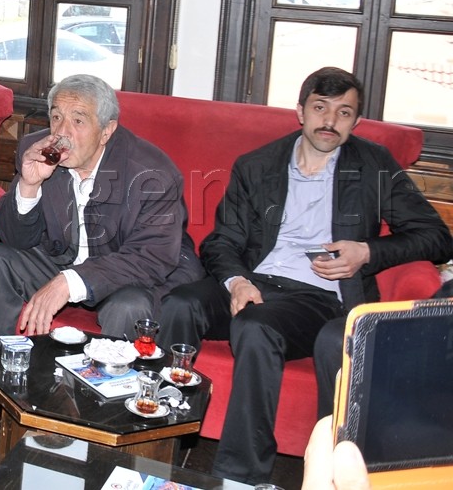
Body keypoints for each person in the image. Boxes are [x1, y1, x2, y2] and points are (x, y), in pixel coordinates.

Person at [158, 67, 453, 485]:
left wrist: (368, 252)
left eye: (344, 112)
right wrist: (237, 281)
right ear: (300, 112)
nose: (330, 121)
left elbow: (437, 238)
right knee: (179, 303)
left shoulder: (373, 165)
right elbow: (221, 241)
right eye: (320, 108)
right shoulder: (257, 165)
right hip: (254, 280)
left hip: (317, 296)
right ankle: (158, 446)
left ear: (356, 121)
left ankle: (241, 477)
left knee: (256, 326)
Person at [0, 74, 204, 435]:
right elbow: (15, 238)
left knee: (127, 305)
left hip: (134, 274)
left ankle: (102, 412)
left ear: (106, 130)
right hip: (66, 259)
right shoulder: (37, 150)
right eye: (56, 117)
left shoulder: (152, 172)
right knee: (0, 259)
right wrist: (29, 185)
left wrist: (70, 282)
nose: (62, 132)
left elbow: (151, 257)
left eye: (78, 120)